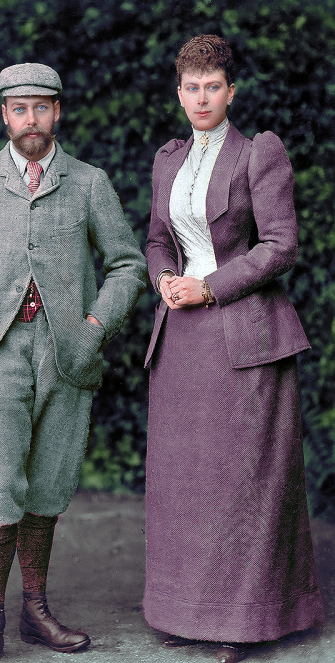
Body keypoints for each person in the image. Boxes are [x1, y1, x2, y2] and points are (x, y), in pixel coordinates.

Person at [0, 62, 147, 662]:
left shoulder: (88, 183)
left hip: (66, 355)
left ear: (58, 112)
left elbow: (127, 264)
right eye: (19, 109)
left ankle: (35, 611)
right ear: (4, 115)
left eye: (42, 108)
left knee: (49, 485)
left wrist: (94, 326)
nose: (31, 120)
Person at [143, 35, 324, 663]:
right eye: (191, 87)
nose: (201, 98)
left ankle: (243, 624)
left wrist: (208, 286)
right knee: (184, 482)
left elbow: (280, 245)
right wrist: (164, 279)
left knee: (241, 482)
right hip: (180, 339)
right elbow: (157, 238)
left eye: (213, 86)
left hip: (246, 336)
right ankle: (185, 613)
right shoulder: (168, 159)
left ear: (231, 90)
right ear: (178, 92)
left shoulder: (258, 154)